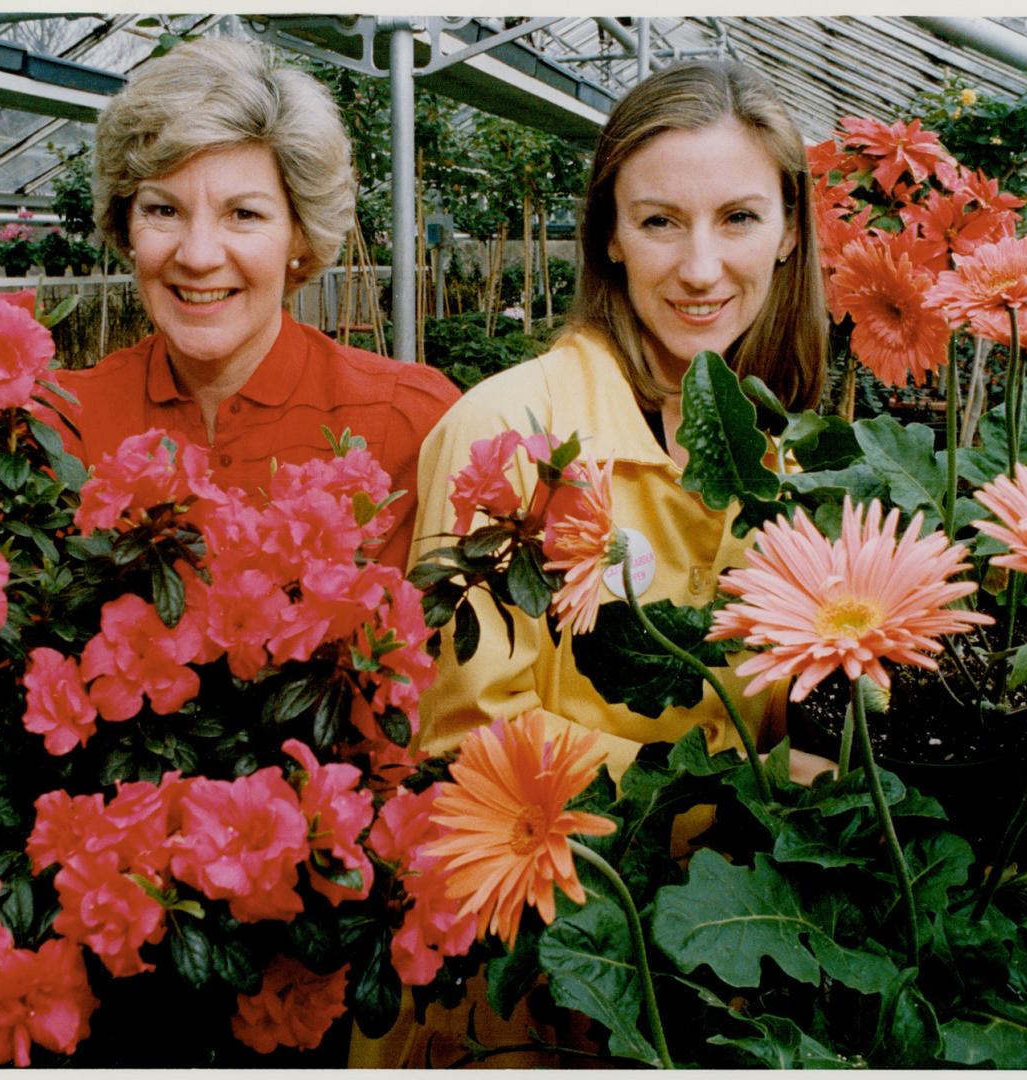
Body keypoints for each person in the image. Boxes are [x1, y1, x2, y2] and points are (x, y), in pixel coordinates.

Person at [356, 59, 836, 1067]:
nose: (701, 268)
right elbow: (467, 744)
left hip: (712, 962)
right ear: (609, 238)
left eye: (738, 218)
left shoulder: (781, 451)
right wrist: (750, 784)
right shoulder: (509, 432)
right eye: (660, 221)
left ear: (790, 232)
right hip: (527, 971)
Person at [56, 36, 459, 568]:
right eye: (164, 210)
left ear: (299, 236)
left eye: (244, 214)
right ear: (126, 228)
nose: (198, 255)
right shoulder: (60, 426)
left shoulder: (410, 423)